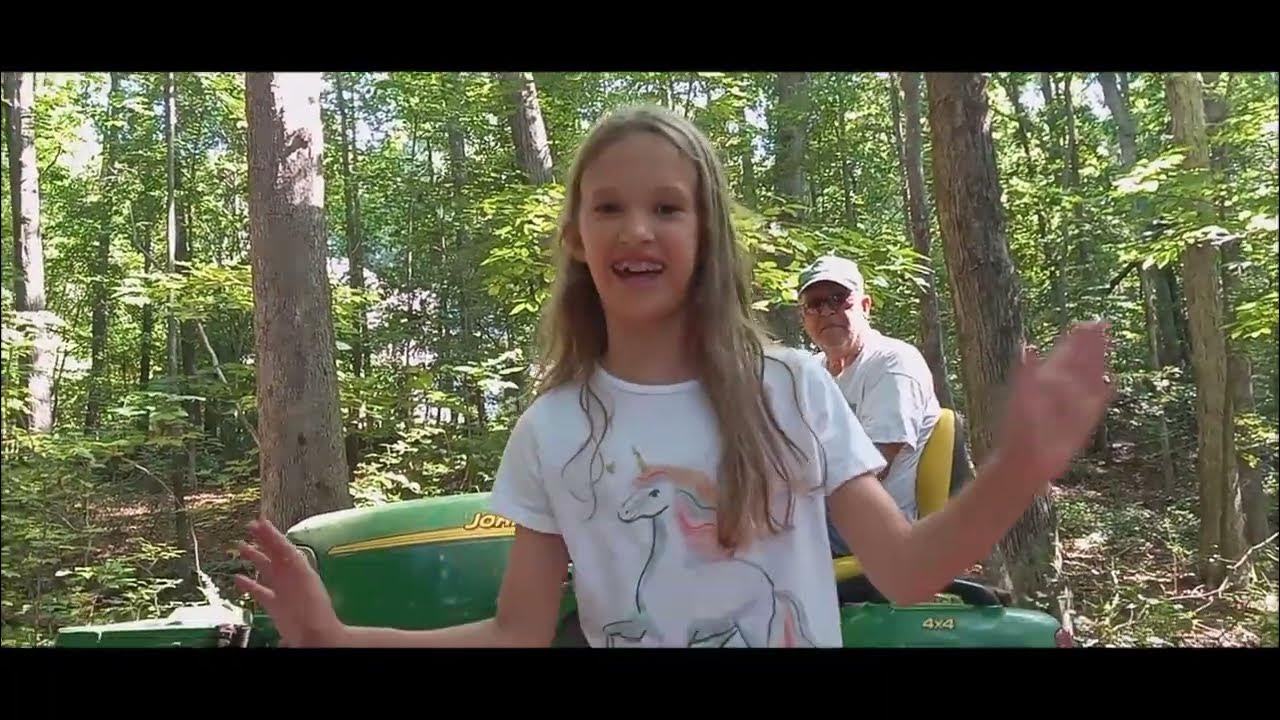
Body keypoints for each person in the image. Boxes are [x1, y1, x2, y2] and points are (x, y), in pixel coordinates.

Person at [233, 105, 1112, 648]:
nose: (638, 230)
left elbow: (911, 569)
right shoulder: (552, 428)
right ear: (578, 236)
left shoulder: (794, 386)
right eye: (608, 206)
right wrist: (337, 639)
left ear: (704, 236)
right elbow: (517, 632)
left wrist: (1022, 467)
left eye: (667, 207)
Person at [795, 255, 940, 555]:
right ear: (805, 317)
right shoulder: (811, 372)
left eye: (838, 298)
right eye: (815, 303)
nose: (827, 311)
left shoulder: (892, 362)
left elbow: (873, 466)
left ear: (865, 306)